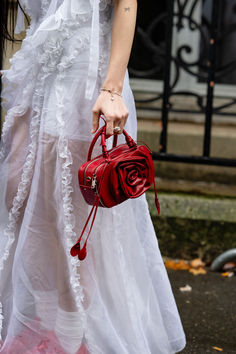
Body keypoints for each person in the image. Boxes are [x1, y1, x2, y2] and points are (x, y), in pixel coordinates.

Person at [0, 0, 186, 353]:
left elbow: (126, 3)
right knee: (18, 196)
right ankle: (46, 318)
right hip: (40, 82)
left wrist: (111, 89)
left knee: (70, 216)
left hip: (83, 86)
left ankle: (73, 334)